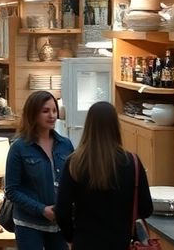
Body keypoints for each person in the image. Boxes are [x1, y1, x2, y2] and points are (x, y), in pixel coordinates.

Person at [56, 102, 152, 250]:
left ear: (88, 125)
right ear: (116, 126)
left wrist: (71, 237)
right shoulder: (132, 162)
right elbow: (146, 209)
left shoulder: (74, 163)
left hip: (85, 242)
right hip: (121, 242)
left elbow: (62, 211)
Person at [4, 91, 74, 250]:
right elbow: (11, 190)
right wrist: (41, 210)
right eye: (45, 111)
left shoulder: (66, 145)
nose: (52, 115)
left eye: (54, 111)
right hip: (29, 224)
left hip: (59, 223)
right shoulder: (19, 148)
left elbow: (73, 181)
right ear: (33, 114)